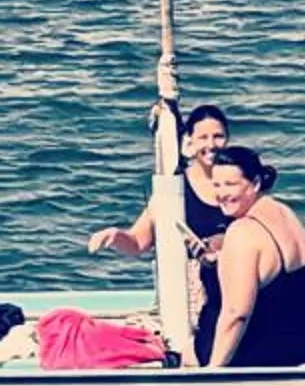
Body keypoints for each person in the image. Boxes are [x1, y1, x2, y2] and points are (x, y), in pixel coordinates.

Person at [86, 102, 233, 337]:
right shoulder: (173, 188)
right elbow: (138, 243)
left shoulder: (237, 183)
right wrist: (114, 236)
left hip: (235, 280)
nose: (210, 145)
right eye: (203, 137)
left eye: (218, 137)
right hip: (193, 292)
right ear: (189, 141)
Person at [198, 145, 305, 369]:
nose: (221, 193)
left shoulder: (243, 233)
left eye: (231, 184)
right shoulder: (284, 213)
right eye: (216, 185)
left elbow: (237, 314)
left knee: (185, 352)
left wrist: (213, 373)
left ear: (255, 184)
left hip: (268, 356)